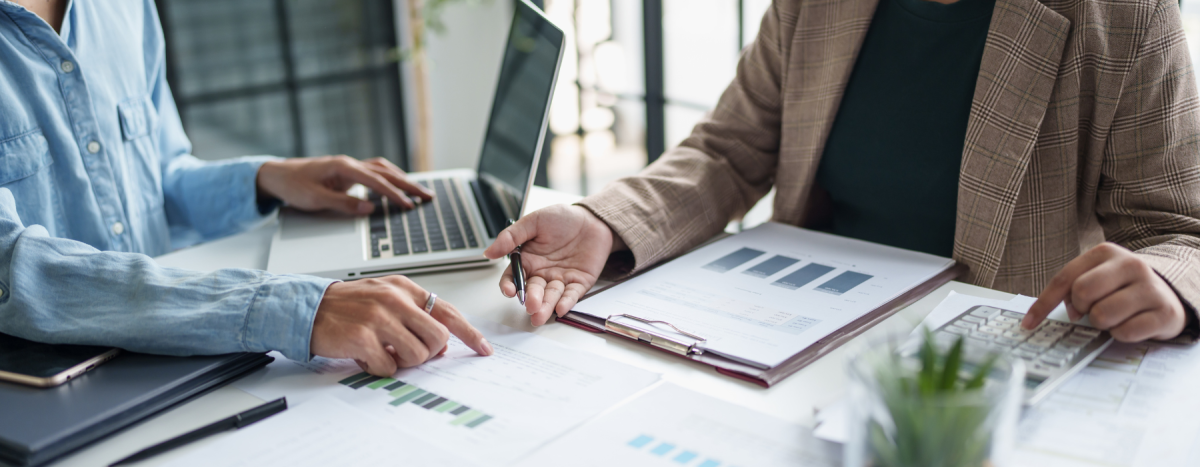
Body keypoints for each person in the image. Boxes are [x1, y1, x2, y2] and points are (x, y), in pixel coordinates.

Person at [485, 0, 1200, 343]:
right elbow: (729, 149)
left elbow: (1178, 229)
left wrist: (1163, 282)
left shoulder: (1126, 16)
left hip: (984, 357)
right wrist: (605, 223)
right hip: (802, 329)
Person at [0, 0, 493, 378]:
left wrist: (268, 179)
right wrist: (294, 309)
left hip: (180, 348)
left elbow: (161, 173)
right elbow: (16, 270)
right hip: (51, 381)